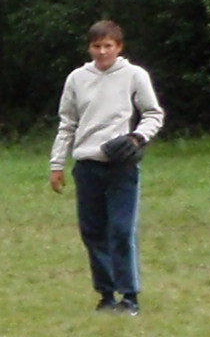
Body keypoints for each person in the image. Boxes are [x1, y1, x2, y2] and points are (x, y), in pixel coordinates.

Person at [48, 19, 166, 315]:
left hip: (120, 166)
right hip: (87, 165)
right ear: (89, 48)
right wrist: (57, 164)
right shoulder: (77, 79)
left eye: (108, 46)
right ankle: (106, 294)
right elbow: (67, 124)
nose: (102, 52)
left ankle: (130, 296)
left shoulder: (134, 75)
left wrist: (137, 138)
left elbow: (153, 113)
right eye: (96, 46)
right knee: (93, 232)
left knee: (122, 230)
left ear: (119, 47)